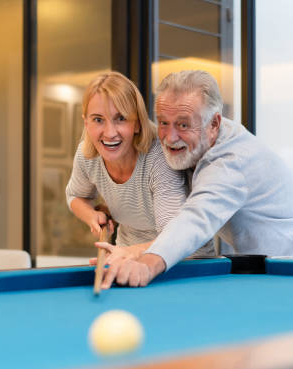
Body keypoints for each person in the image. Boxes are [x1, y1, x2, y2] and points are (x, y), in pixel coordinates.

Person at [96, 70, 293, 289]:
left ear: (214, 123)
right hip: (274, 265)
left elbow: (196, 219)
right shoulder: (195, 145)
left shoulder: (231, 161)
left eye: (183, 125)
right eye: (163, 123)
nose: (170, 137)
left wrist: (147, 264)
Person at [65, 71, 215, 261]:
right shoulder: (87, 155)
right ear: (86, 122)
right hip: (127, 256)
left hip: (183, 262)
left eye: (121, 118)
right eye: (98, 119)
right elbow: (75, 196)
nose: (110, 133)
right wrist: (90, 215)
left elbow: (174, 238)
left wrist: (128, 254)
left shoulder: (158, 157)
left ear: (137, 123)